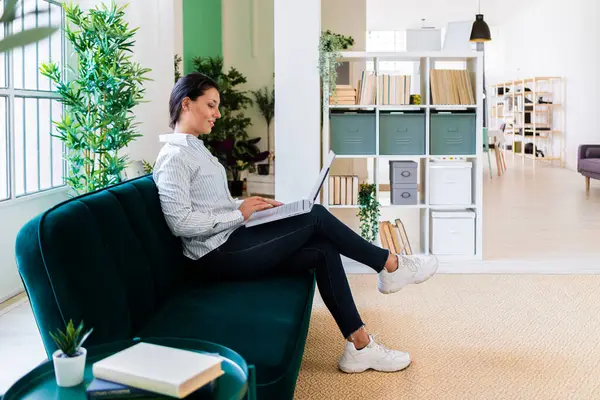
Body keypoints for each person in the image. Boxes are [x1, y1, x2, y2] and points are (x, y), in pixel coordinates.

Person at [153, 72, 438, 374]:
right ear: (186, 103)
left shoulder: (194, 148)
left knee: (323, 249)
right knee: (314, 216)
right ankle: (390, 265)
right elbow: (180, 222)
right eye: (211, 105)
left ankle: (361, 346)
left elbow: (209, 206)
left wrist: (252, 207)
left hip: (229, 241)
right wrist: (239, 214)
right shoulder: (174, 157)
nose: (218, 114)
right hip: (213, 256)